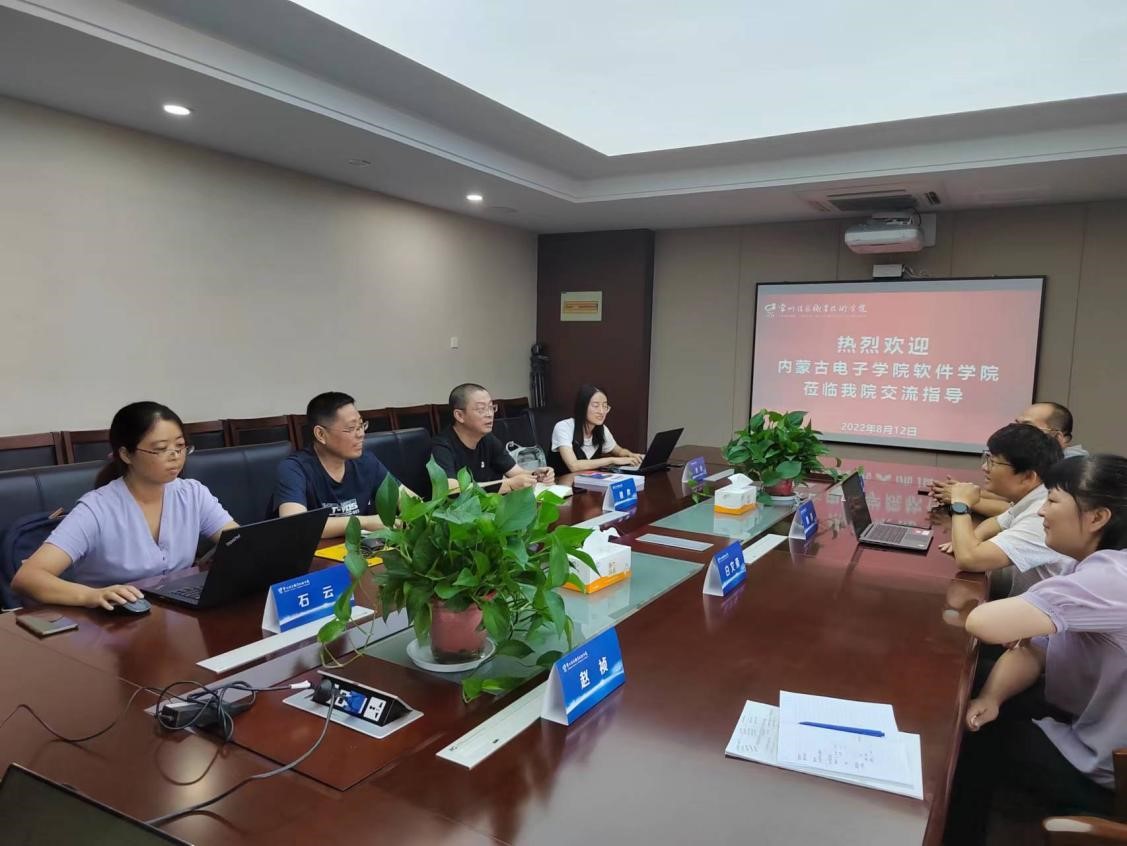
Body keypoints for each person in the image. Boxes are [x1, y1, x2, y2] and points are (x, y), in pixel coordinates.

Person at [943, 454, 1127, 845]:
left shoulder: (1113, 579)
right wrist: (992, 698)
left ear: (1097, 518)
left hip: (1107, 773)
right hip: (1090, 724)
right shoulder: (1092, 566)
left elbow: (983, 622)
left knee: (966, 741)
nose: (1042, 511)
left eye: (1053, 501)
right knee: (978, 696)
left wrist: (1018, 629)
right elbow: (1037, 649)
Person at [11, 402, 237, 609]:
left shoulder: (192, 493)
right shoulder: (96, 509)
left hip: (180, 613)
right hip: (112, 623)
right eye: (160, 449)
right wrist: (92, 595)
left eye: (180, 446)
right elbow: (28, 578)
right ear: (126, 454)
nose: (175, 456)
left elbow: (239, 542)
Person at [938, 423, 1071, 596]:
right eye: (987, 458)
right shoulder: (1035, 497)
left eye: (993, 462)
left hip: (1042, 610)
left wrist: (960, 503)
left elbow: (969, 560)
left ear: (1028, 477)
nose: (984, 467)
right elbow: (996, 522)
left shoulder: (1042, 515)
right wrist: (971, 539)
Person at [275, 392, 407, 538]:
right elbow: (296, 525)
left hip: (361, 549)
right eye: (351, 428)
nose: (361, 434)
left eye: (361, 425)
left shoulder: (366, 461)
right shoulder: (294, 469)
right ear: (321, 434)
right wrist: (365, 522)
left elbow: (409, 500)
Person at [931, 401, 1086, 516]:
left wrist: (962, 501)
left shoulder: (1071, 473)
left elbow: (1025, 510)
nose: (1017, 432)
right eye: (1016, 424)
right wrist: (963, 491)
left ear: (1057, 437)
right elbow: (1011, 498)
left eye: (1027, 426)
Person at [431, 383, 553, 492]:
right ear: (459, 415)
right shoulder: (441, 446)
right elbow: (452, 490)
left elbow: (516, 473)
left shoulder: (488, 439)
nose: (489, 414)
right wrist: (508, 485)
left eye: (491, 407)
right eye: (481, 409)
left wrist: (536, 475)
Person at [551, 385, 645, 473]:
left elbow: (619, 451)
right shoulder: (564, 427)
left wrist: (631, 455)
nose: (602, 412)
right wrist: (612, 460)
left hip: (588, 482)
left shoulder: (602, 429)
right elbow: (574, 465)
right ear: (582, 407)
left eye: (605, 406)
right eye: (596, 406)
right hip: (562, 483)